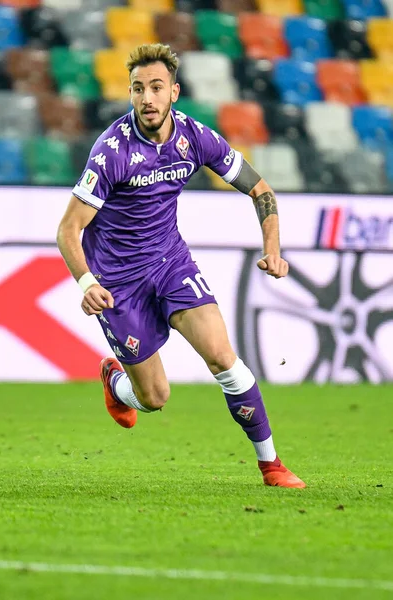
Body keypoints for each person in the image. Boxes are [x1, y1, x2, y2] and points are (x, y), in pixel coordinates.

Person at [57, 43, 305, 488]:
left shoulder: (195, 137)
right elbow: (68, 229)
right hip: (118, 284)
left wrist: (273, 249)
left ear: (174, 91)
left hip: (171, 263)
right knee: (154, 398)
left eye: (155, 88)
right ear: (130, 95)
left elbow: (261, 189)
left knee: (222, 357)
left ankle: (272, 465)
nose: (146, 98)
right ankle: (116, 383)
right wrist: (87, 282)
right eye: (137, 89)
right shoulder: (111, 150)